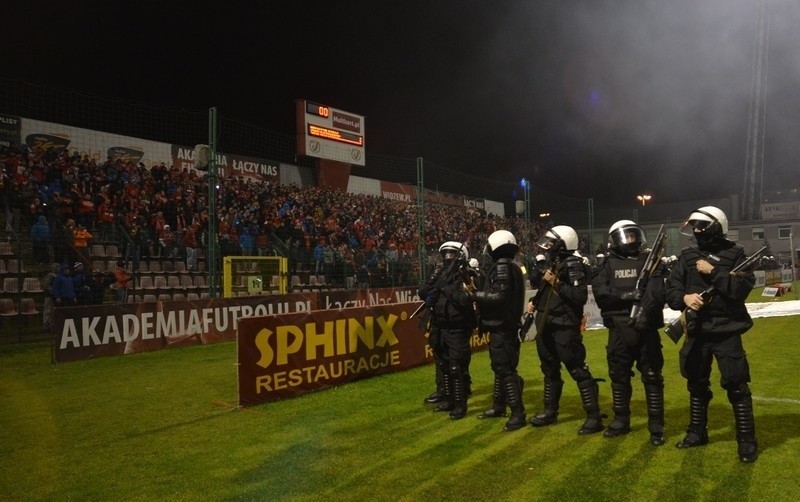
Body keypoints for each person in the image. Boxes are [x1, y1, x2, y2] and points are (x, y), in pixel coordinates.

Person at [665, 206, 758, 463]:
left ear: (716, 227)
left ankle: (747, 440)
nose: (696, 231)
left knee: (737, 386)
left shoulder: (736, 254)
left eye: (701, 226)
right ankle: (697, 433)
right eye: (693, 226)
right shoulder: (686, 257)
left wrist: (714, 272)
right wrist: (684, 297)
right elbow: (672, 291)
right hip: (697, 330)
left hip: (727, 331)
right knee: (696, 384)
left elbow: (741, 290)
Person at [591, 220, 667, 445]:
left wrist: (644, 310)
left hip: (646, 328)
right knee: (619, 377)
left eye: (634, 236)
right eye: (626, 236)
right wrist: (625, 296)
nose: (630, 240)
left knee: (652, 377)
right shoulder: (605, 265)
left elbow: (656, 293)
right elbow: (600, 292)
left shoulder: (651, 262)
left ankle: (656, 426)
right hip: (618, 329)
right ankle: (621, 420)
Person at [528, 225, 605, 435]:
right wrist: (535, 303)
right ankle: (550, 412)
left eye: (553, 242)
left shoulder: (572, 264)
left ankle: (593, 416)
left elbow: (579, 296)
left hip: (564, 325)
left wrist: (556, 283)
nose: (548, 246)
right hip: (546, 323)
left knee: (577, 369)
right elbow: (548, 292)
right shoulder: (556, 262)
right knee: (549, 370)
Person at [469, 230, 527, 431]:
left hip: (502, 326)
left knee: (505, 369)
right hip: (505, 325)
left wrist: (474, 295)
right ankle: (498, 406)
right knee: (500, 368)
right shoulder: (512, 267)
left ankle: (517, 413)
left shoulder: (502, 267)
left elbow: (499, 296)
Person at [417, 241, 476, 419]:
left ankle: (460, 404)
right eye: (445, 254)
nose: (448, 257)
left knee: (457, 366)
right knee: (443, 363)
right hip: (439, 326)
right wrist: (435, 278)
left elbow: (464, 299)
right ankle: (448, 399)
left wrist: (444, 287)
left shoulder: (468, 276)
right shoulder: (441, 274)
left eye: (452, 254)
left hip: (457, 327)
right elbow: (423, 291)